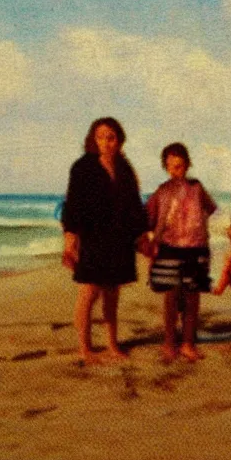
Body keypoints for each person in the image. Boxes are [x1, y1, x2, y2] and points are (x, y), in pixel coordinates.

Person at [62, 117, 148, 364]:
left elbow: (134, 205)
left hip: (119, 237)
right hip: (93, 236)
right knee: (89, 292)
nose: (106, 142)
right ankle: (85, 348)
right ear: (93, 139)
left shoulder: (125, 168)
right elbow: (73, 205)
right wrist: (70, 240)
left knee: (112, 293)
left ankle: (112, 344)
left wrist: (141, 235)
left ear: (119, 140)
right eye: (101, 137)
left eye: (111, 137)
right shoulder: (82, 167)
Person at [146, 143, 217, 362]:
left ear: (187, 164)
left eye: (180, 165)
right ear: (166, 167)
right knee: (171, 295)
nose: (176, 170)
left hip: (196, 247)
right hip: (169, 247)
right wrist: (151, 242)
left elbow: (211, 208)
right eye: (171, 166)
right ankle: (169, 342)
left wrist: (198, 223)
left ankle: (187, 343)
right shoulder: (162, 190)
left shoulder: (197, 187)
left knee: (192, 296)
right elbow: (148, 217)